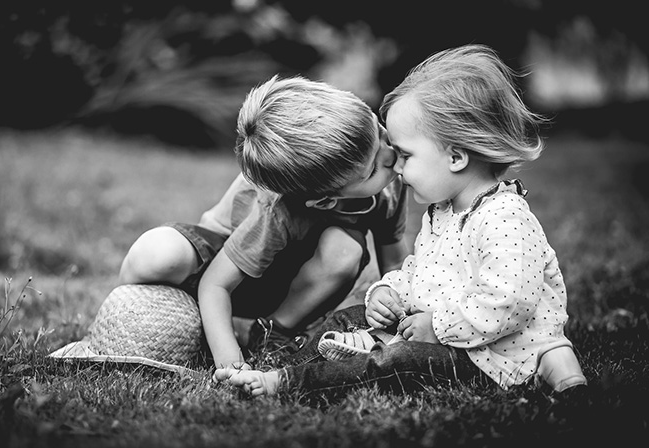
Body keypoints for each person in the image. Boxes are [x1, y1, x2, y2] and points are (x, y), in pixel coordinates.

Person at [215, 44, 587, 396]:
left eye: (407, 154)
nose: (397, 164)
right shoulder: (444, 212)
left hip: (488, 355)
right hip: (434, 326)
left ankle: (286, 380)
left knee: (394, 361)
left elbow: (509, 302)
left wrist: (437, 329)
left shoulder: (504, 218)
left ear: (455, 158)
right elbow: (420, 273)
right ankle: (294, 360)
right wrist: (387, 294)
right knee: (349, 317)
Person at [119, 75, 410, 371]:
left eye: (380, 132)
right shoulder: (275, 210)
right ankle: (155, 305)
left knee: (344, 250)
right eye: (374, 167)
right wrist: (230, 362)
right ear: (325, 202)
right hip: (225, 268)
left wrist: (400, 310)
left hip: (286, 279)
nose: (393, 155)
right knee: (157, 254)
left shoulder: (391, 183)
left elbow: (395, 264)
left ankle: (272, 332)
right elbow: (216, 284)